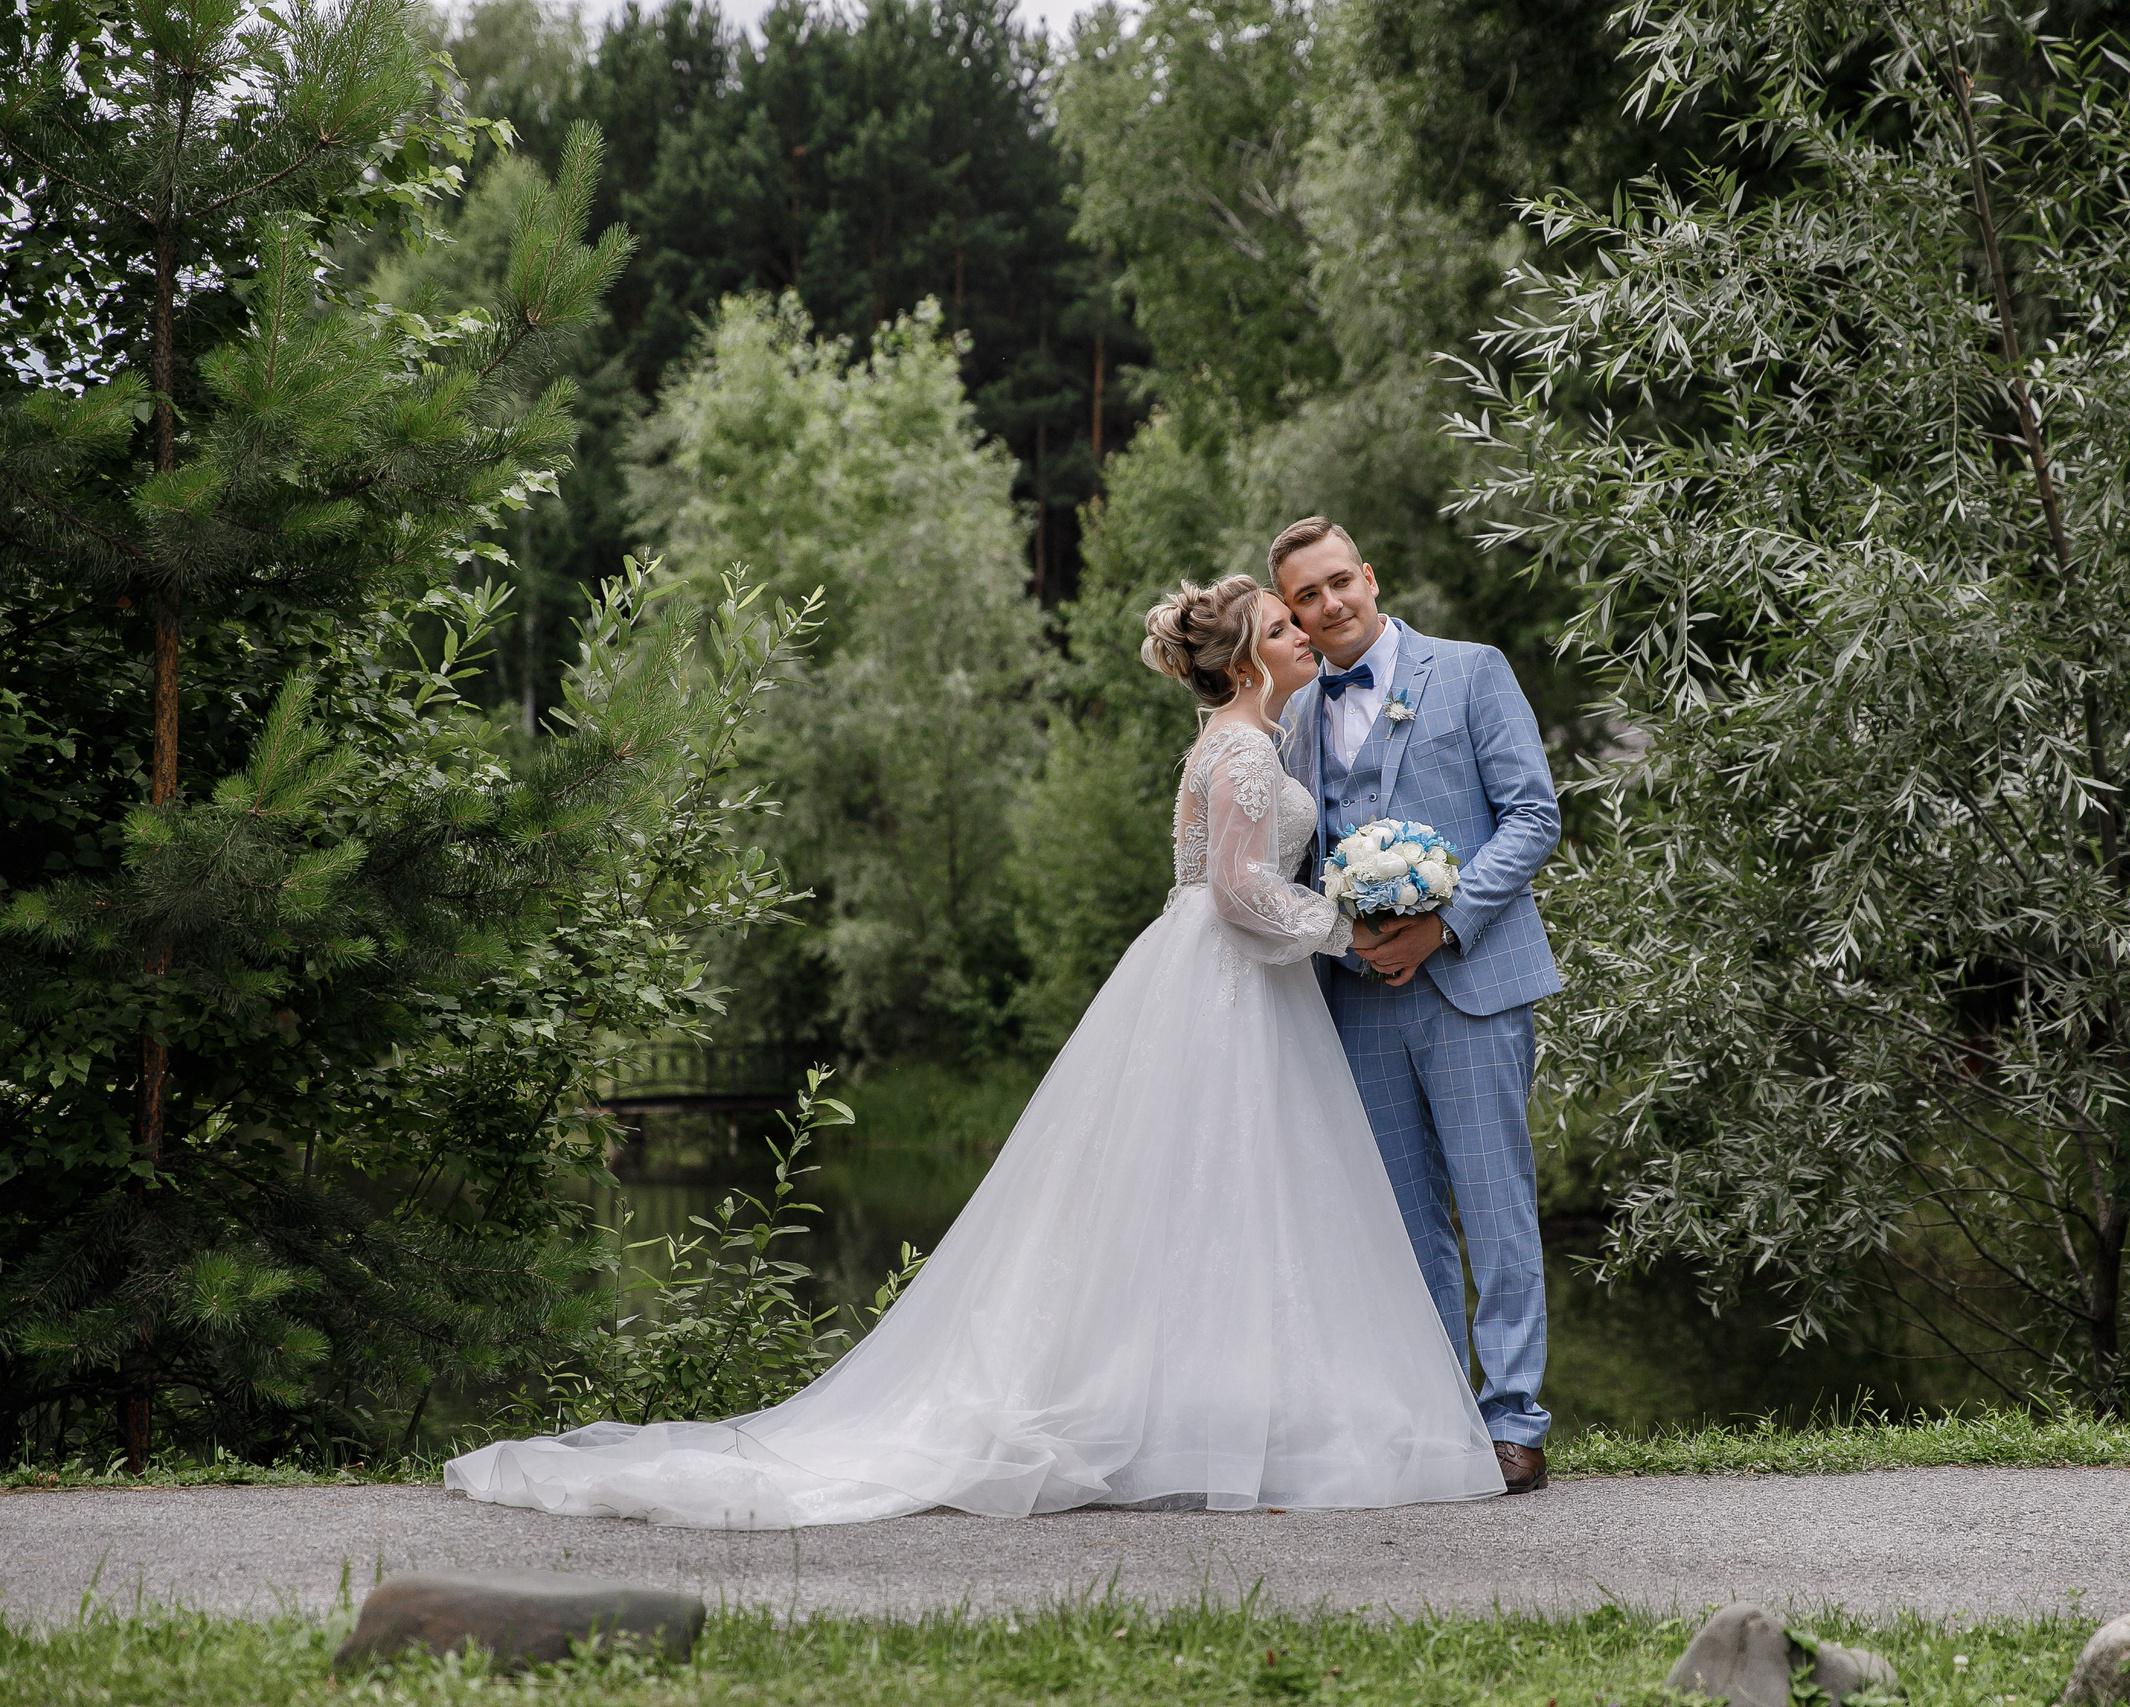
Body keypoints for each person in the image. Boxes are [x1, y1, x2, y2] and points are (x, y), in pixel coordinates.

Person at [442, 574, 1505, 1528]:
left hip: (1236, 982)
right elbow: (1233, 890)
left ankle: (1228, 1415)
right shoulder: (1239, 748)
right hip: (1224, 978)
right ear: (1240, 661)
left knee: (1231, 1191)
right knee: (1213, 1183)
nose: (1302, 635)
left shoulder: (1251, 740)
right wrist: (1345, 929)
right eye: (1279, 628)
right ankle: (1197, 1421)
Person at [1270, 516, 1562, 1495]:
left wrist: (1444, 924)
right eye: (1305, 597)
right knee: (1401, 1223)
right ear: (1294, 614)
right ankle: (1440, 1423)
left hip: (1471, 984)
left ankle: (1513, 1423)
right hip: (1356, 1002)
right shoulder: (1295, 714)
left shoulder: (1471, 671)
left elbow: (1533, 816)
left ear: (1369, 574)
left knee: (1495, 1206)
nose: (1329, 605)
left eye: (1338, 581)